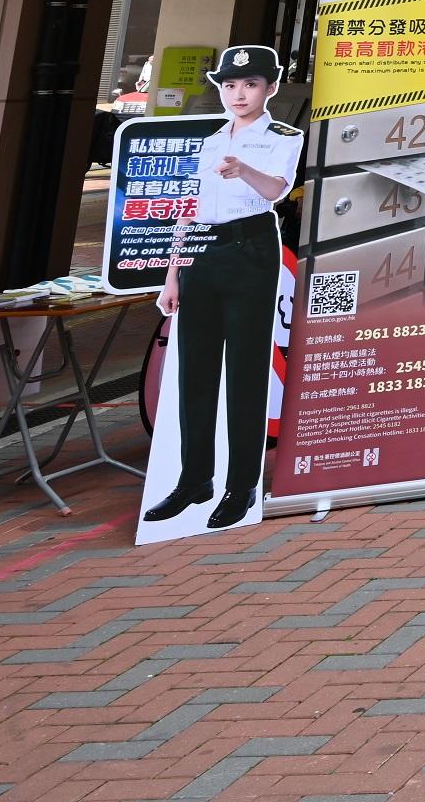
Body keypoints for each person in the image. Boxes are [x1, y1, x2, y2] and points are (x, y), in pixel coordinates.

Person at [142, 47, 305, 531]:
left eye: (250, 84)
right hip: (200, 252)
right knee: (194, 369)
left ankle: (240, 484)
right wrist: (172, 274)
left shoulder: (282, 136)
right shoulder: (208, 140)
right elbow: (187, 208)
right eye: (230, 85)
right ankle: (195, 479)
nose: (239, 94)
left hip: (249, 247)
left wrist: (244, 171)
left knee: (245, 372)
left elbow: (276, 189)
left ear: (270, 88)